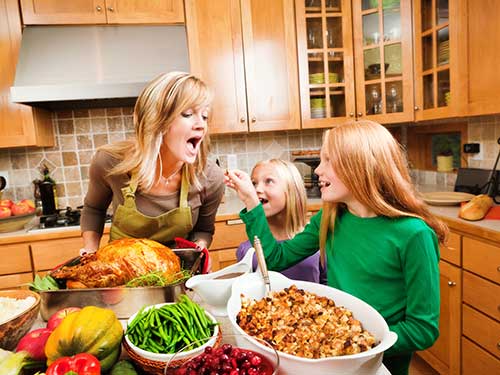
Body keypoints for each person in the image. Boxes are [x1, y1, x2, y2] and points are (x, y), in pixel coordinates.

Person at [224, 120, 446, 375]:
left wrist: (355, 343)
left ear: (360, 166)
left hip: (378, 365)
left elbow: (423, 330)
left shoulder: (414, 235)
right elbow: (274, 259)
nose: (318, 170)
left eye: (328, 160)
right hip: (330, 361)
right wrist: (252, 202)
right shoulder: (330, 217)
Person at [80, 71, 225, 254]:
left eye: (204, 116)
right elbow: (94, 208)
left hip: (177, 274)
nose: (201, 124)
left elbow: (204, 230)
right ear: (157, 120)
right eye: (188, 114)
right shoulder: (110, 162)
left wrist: (198, 250)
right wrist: (90, 250)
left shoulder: (210, 177)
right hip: (122, 270)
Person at [236, 159, 326, 284]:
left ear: (292, 189)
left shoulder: (317, 241)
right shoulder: (247, 251)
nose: (257, 189)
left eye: (269, 181)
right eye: (254, 183)